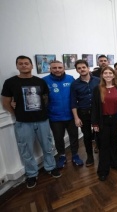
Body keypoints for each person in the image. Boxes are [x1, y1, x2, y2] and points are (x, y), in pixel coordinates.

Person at [1, 55, 61, 189]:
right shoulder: (10, 82)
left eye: (26, 63)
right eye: (20, 64)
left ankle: (51, 167)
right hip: (23, 123)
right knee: (26, 149)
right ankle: (31, 174)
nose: (24, 66)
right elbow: (5, 102)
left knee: (48, 145)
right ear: (17, 66)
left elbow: (45, 98)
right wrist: (16, 113)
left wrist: (41, 111)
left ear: (32, 65)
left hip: (42, 120)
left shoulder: (40, 82)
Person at [43, 60, 83, 168]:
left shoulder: (70, 79)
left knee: (74, 137)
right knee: (58, 138)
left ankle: (75, 155)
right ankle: (62, 155)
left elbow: (78, 93)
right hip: (55, 117)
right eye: (54, 68)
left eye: (60, 67)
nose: (57, 70)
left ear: (63, 68)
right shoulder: (44, 81)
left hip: (71, 115)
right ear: (50, 69)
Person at [91, 67, 117, 181]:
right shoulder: (97, 89)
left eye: (110, 73)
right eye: (106, 73)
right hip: (102, 120)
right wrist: (94, 123)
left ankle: (115, 163)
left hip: (116, 120)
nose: (108, 75)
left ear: (114, 75)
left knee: (114, 143)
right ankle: (103, 170)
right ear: (102, 75)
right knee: (104, 145)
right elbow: (94, 107)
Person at [71, 60, 100, 166]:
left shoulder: (98, 80)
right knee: (87, 136)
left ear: (88, 68)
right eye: (79, 68)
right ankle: (90, 157)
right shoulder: (74, 84)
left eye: (84, 67)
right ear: (77, 70)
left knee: (100, 134)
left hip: (97, 112)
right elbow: (73, 102)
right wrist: (76, 118)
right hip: (83, 113)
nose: (82, 69)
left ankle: (102, 155)